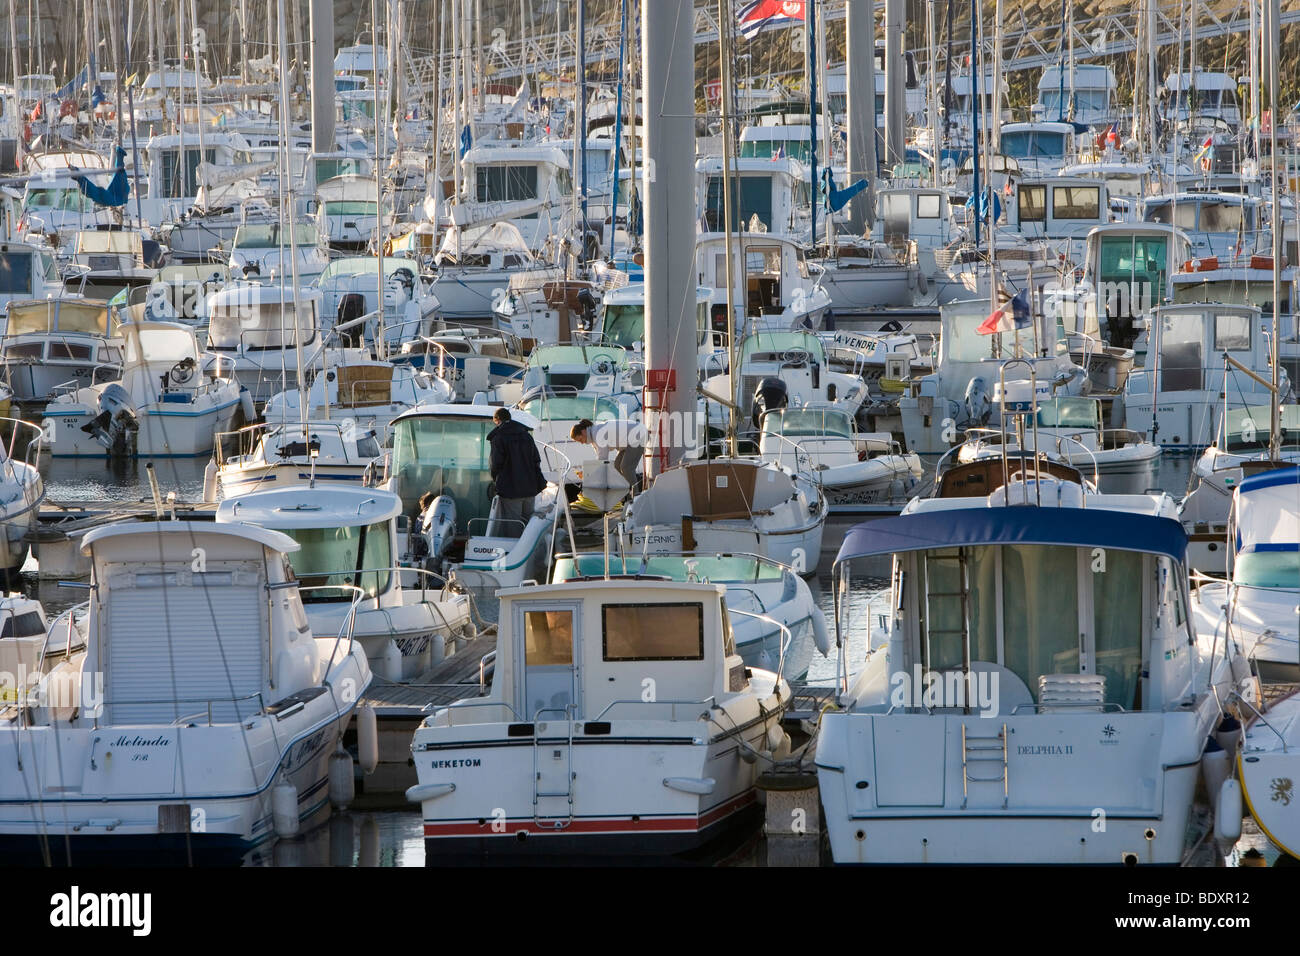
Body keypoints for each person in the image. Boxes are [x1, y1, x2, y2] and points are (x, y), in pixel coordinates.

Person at [488, 408, 546, 535]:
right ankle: (530, 549)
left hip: (511, 490)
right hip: (530, 487)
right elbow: (536, 460)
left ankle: (513, 552)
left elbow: (495, 464)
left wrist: (495, 481)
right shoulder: (526, 435)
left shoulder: (498, 438)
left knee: (513, 526)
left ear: (497, 420)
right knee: (528, 523)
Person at [570, 418, 646, 493]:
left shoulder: (597, 434)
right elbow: (600, 459)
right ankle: (627, 493)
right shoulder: (594, 435)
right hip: (630, 441)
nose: (582, 443)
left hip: (639, 436)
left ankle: (636, 495)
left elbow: (602, 459)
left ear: (583, 432)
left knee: (626, 468)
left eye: (580, 440)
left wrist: (587, 473)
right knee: (617, 466)